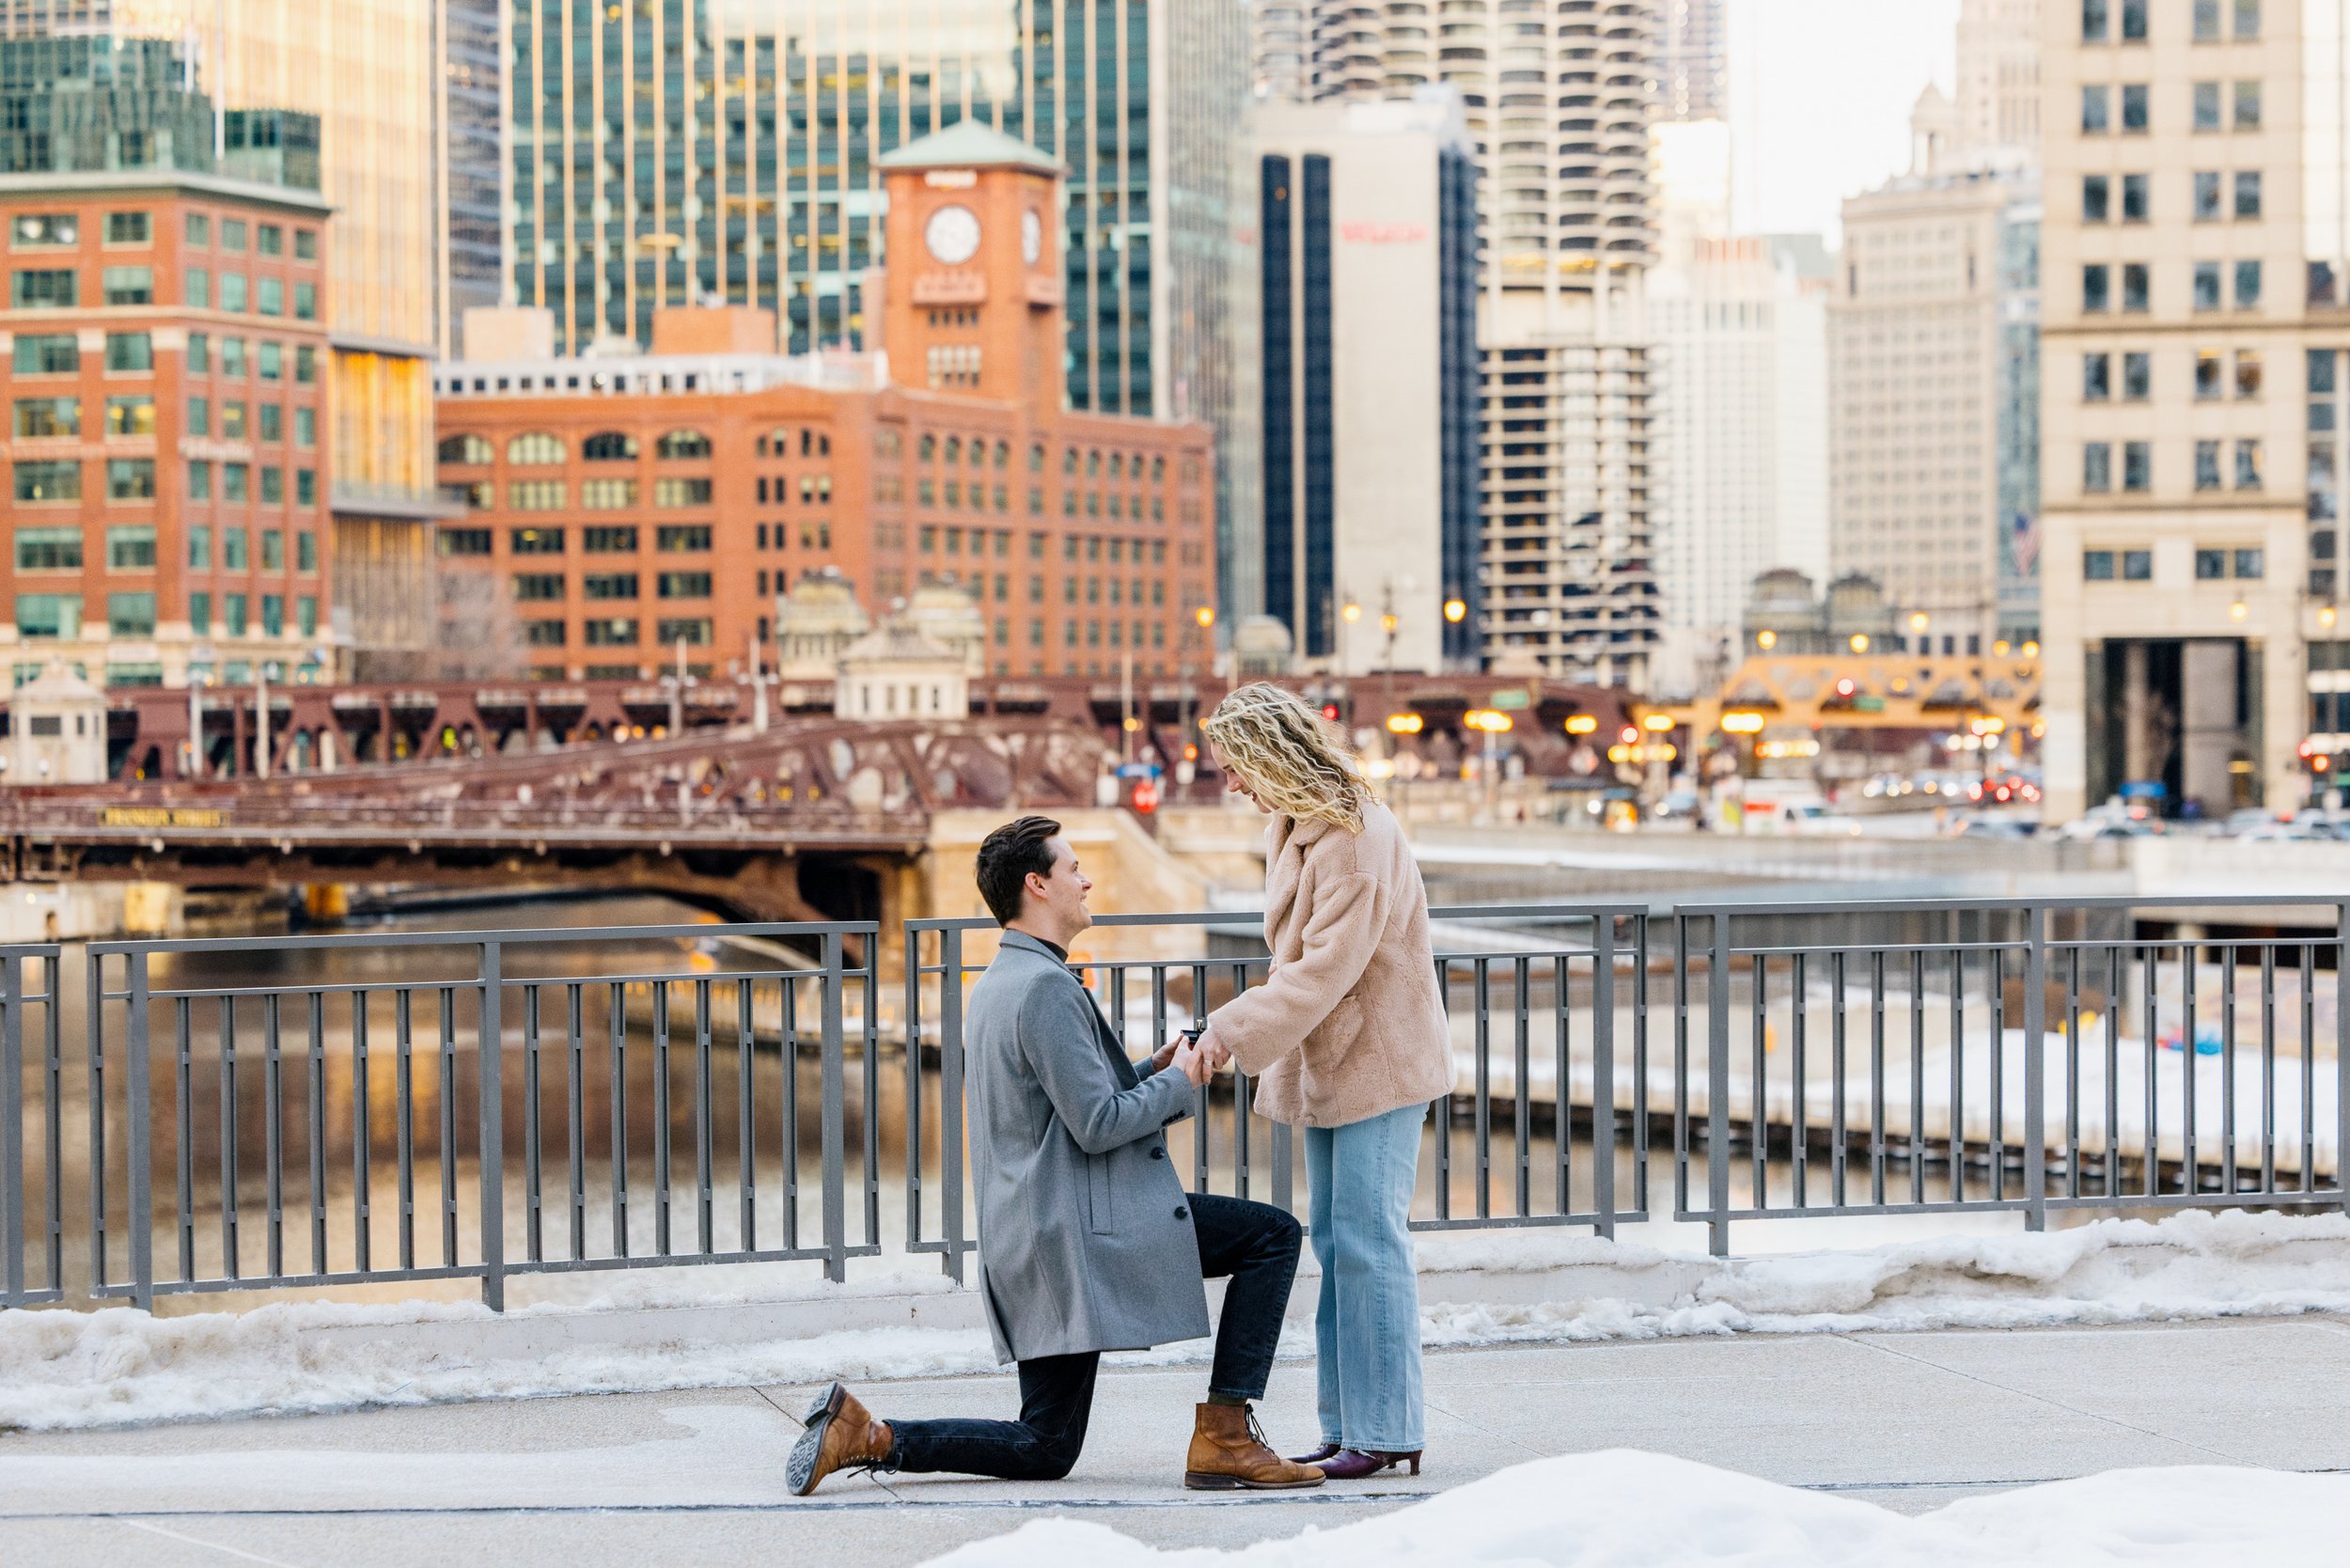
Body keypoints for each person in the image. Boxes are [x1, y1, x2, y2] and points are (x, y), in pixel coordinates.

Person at [787, 815, 1324, 1496]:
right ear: (1038, 885)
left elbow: (1062, 1105)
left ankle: (867, 1435)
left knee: (1045, 1443)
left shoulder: (1004, 980)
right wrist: (1180, 1081)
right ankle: (1224, 1436)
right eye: (1074, 869)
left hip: (1033, 1232)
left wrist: (1149, 1070)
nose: (1087, 878)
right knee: (1272, 1236)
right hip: (1079, 1235)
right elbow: (1098, 1124)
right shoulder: (1045, 989)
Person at [1195, 684, 1451, 1481]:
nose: (1232, 784)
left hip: (1379, 1061)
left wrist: (1229, 1032)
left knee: (1370, 1244)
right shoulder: (1300, 826)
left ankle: (1385, 1428)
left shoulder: (1356, 833)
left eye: (1238, 766)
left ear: (1274, 754)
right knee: (1344, 1245)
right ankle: (1351, 1428)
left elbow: (1325, 968)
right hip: (1337, 1062)